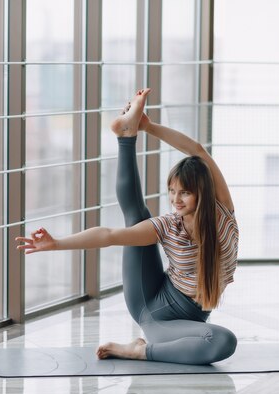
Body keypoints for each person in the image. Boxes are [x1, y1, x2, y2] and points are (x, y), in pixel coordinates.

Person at [16, 88, 239, 365]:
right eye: (171, 191)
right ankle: (126, 137)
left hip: (189, 318)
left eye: (184, 193)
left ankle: (132, 130)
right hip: (153, 309)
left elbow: (197, 150)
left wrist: (150, 126)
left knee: (221, 341)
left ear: (201, 193)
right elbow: (109, 236)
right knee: (137, 218)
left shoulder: (223, 212)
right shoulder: (170, 225)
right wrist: (57, 243)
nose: (175, 199)